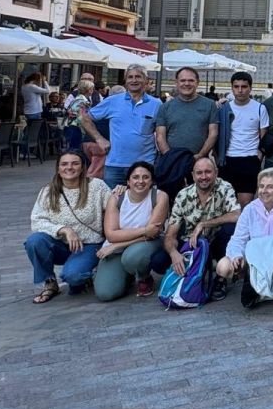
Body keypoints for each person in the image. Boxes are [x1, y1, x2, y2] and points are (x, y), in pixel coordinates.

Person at [24, 151, 109, 303]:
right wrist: (64, 229)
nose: (69, 168)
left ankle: (86, 272)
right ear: (58, 168)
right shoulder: (48, 191)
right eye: (64, 164)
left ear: (83, 167)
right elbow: (36, 221)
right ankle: (49, 282)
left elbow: (113, 208)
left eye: (75, 163)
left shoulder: (97, 186)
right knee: (35, 241)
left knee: (74, 278)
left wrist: (122, 191)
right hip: (61, 246)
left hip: (89, 245)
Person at [150, 157, 242, 295]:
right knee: (158, 261)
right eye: (199, 173)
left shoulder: (225, 187)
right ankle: (188, 272)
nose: (203, 177)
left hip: (216, 243)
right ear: (193, 175)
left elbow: (237, 215)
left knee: (230, 229)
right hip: (192, 245)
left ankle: (220, 278)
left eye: (208, 172)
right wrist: (174, 253)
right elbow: (170, 234)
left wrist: (204, 224)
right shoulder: (183, 195)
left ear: (216, 173)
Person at [217, 169, 273, 308]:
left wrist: (265, 247)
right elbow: (237, 239)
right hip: (256, 253)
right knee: (223, 266)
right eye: (261, 186)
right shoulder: (250, 209)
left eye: (270, 187)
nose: (264, 190)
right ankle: (256, 283)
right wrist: (236, 255)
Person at [94, 160, 170, 301]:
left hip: (146, 244)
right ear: (128, 181)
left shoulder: (159, 197)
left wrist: (118, 244)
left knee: (132, 257)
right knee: (105, 294)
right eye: (135, 177)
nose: (140, 181)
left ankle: (143, 277)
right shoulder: (117, 197)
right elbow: (111, 235)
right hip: (117, 249)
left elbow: (153, 233)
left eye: (145, 177)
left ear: (152, 181)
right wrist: (145, 229)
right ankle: (126, 275)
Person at [80, 65, 161, 188]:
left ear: (145, 80)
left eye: (138, 77)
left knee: (143, 205)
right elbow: (85, 118)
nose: (134, 80)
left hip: (144, 165)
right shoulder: (113, 101)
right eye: (130, 77)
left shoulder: (156, 104)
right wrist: (99, 139)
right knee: (112, 203)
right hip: (115, 164)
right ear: (126, 81)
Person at [216, 71, 269, 207]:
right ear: (232, 88)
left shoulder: (259, 108)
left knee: (246, 203)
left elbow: (263, 134)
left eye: (244, 86)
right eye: (236, 86)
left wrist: (260, 154)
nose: (240, 90)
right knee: (226, 202)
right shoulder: (224, 108)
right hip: (228, 159)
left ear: (250, 88)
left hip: (249, 159)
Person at [155, 66, 220, 169]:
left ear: (197, 82)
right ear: (176, 82)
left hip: (200, 165)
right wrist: (170, 158)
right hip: (171, 164)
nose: (186, 84)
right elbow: (160, 136)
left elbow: (213, 134)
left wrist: (199, 156)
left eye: (191, 80)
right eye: (183, 80)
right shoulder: (165, 107)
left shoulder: (210, 105)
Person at [63, 80, 94, 151]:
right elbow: (80, 116)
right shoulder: (82, 100)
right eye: (92, 88)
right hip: (77, 127)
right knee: (75, 149)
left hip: (74, 126)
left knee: (74, 148)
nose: (92, 90)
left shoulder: (79, 98)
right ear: (88, 90)